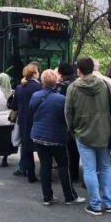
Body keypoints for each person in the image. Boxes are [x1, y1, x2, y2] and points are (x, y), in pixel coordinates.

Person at [65, 56, 111, 216]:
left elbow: (68, 112)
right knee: (105, 167)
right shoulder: (105, 85)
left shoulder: (73, 87)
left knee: (89, 169)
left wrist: (72, 129)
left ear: (78, 70)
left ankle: (95, 205)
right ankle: (109, 203)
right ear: (93, 69)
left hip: (83, 134)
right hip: (103, 132)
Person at [31, 69, 84, 206]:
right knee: (63, 165)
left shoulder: (35, 96)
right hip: (57, 137)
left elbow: (32, 111)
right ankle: (69, 196)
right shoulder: (61, 99)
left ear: (42, 81)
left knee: (45, 165)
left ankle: (47, 196)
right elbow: (67, 118)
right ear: (56, 82)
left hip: (37, 135)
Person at [93, 59, 111, 189]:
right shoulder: (108, 81)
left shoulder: (80, 82)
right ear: (99, 68)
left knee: (92, 149)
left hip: (89, 122)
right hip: (108, 121)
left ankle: (95, 177)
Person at [12, 64, 43, 183]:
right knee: (41, 150)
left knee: (27, 149)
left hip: (23, 122)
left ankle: (30, 175)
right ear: (35, 73)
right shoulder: (39, 87)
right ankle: (45, 174)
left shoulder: (20, 88)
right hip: (37, 121)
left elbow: (14, 106)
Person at [57, 62, 80, 183]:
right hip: (81, 120)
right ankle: (76, 173)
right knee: (77, 150)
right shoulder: (79, 83)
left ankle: (70, 174)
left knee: (68, 150)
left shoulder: (63, 86)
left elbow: (60, 104)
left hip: (67, 121)